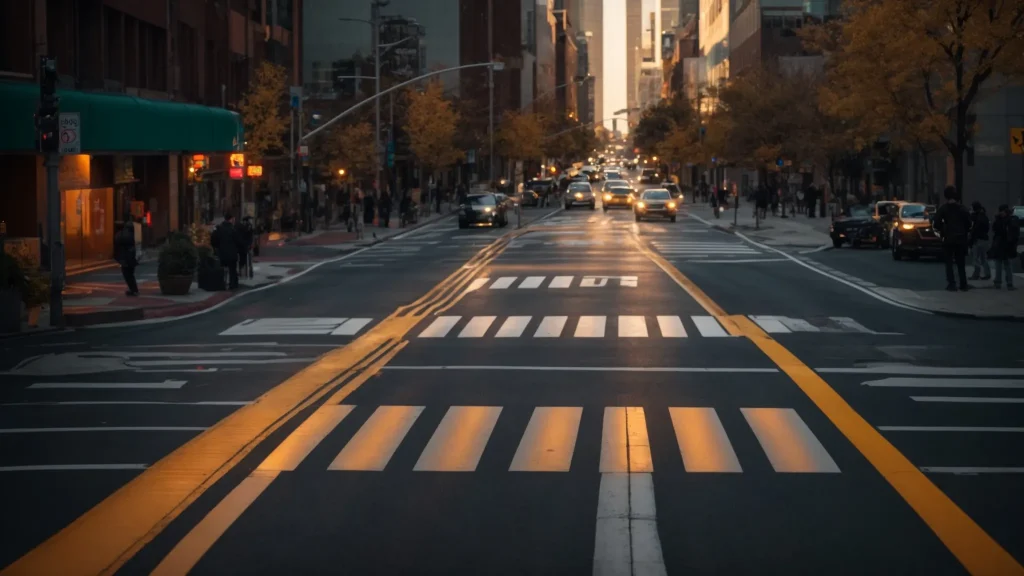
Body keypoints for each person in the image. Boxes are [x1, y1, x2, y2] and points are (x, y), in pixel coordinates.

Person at [933, 186, 972, 291]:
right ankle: (963, 284)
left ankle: (952, 284)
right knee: (961, 263)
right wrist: (964, 231)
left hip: (948, 238)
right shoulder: (962, 208)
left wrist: (943, 230)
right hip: (961, 238)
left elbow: (936, 223)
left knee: (949, 262)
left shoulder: (943, 208)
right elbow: (969, 223)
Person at [990, 204, 1019, 290]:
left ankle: (1004, 283)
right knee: (1003, 264)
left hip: (1004, 244)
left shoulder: (1008, 219)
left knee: (1004, 264)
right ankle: (1004, 283)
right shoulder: (1009, 219)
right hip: (1003, 244)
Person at [211, 212, 242, 290]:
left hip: (222, 252)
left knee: (221, 269)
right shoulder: (233, 229)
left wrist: (217, 247)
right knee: (232, 270)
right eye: (233, 219)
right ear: (231, 219)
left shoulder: (219, 228)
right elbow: (238, 241)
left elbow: (213, 240)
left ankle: (221, 284)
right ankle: (233, 285)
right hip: (232, 253)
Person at [114, 216, 139, 296]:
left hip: (127, 258)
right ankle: (133, 290)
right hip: (130, 257)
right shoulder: (130, 233)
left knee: (127, 274)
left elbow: (118, 240)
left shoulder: (125, 234)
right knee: (130, 275)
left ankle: (133, 290)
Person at [968, 201, 991, 281]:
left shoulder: (976, 217)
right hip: (984, 239)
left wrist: (971, 239)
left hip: (977, 240)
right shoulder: (984, 216)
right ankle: (987, 273)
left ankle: (976, 274)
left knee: (975, 258)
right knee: (983, 258)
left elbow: (974, 229)